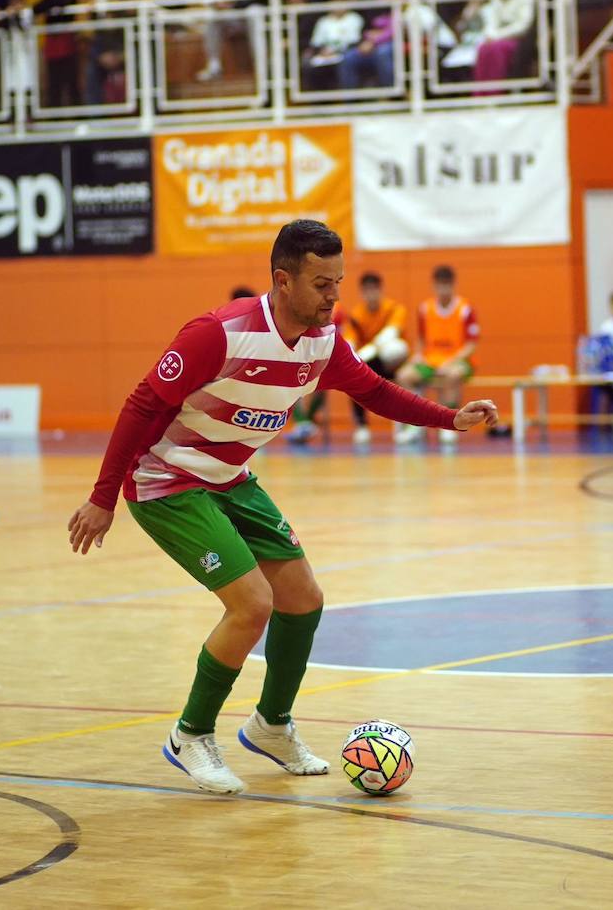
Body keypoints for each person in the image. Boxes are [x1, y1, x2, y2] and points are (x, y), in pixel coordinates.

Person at [66, 220, 498, 794]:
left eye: (338, 282)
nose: (334, 296)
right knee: (252, 605)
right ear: (282, 279)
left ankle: (271, 725)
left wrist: (450, 418)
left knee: (303, 599)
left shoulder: (323, 341)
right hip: (165, 481)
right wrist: (102, 498)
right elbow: (140, 407)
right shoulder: (217, 334)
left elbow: (373, 391)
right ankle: (190, 735)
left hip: (229, 478)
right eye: (322, 284)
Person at [290, 271, 409, 445]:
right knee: (352, 375)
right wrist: (355, 356)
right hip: (366, 361)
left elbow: (391, 334)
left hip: (389, 362)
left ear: (380, 290)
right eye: (366, 291)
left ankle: (403, 427)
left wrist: (366, 352)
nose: (370, 295)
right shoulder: (356, 314)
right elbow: (350, 341)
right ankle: (361, 426)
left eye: (373, 290)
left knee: (395, 349)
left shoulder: (394, 309)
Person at [396, 265, 480, 446]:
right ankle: (415, 425)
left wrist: (452, 360)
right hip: (431, 359)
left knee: (452, 374)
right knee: (405, 375)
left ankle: (450, 424)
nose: (443, 290)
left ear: (453, 285)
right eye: (440, 285)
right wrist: (417, 356)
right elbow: (421, 339)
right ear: (434, 286)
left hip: (459, 360)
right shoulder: (425, 308)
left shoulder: (465, 309)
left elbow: (471, 344)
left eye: (447, 285)